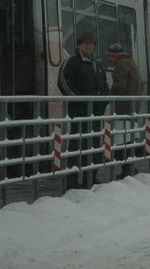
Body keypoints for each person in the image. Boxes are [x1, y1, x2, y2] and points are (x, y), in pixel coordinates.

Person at [58, 32, 109, 189]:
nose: (89, 46)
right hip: (79, 113)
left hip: (95, 114)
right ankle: (72, 180)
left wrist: (103, 102)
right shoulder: (71, 62)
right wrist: (78, 100)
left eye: (92, 44)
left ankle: (90, 177)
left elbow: (104, 85)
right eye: (86, 43)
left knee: (94, 146)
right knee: (76, 146)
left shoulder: (97, 64)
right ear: (78, 45)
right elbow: (63, 83)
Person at [105, 43, 144, 179]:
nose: (109, 60)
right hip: (132, 108)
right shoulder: (131, 62)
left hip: (123, 109)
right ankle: (130, 168)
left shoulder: (121, 65)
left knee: (122, 142)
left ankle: (127, 170)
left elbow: (118, 86)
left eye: (110, 57)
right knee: (129, 140)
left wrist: (109, 96)